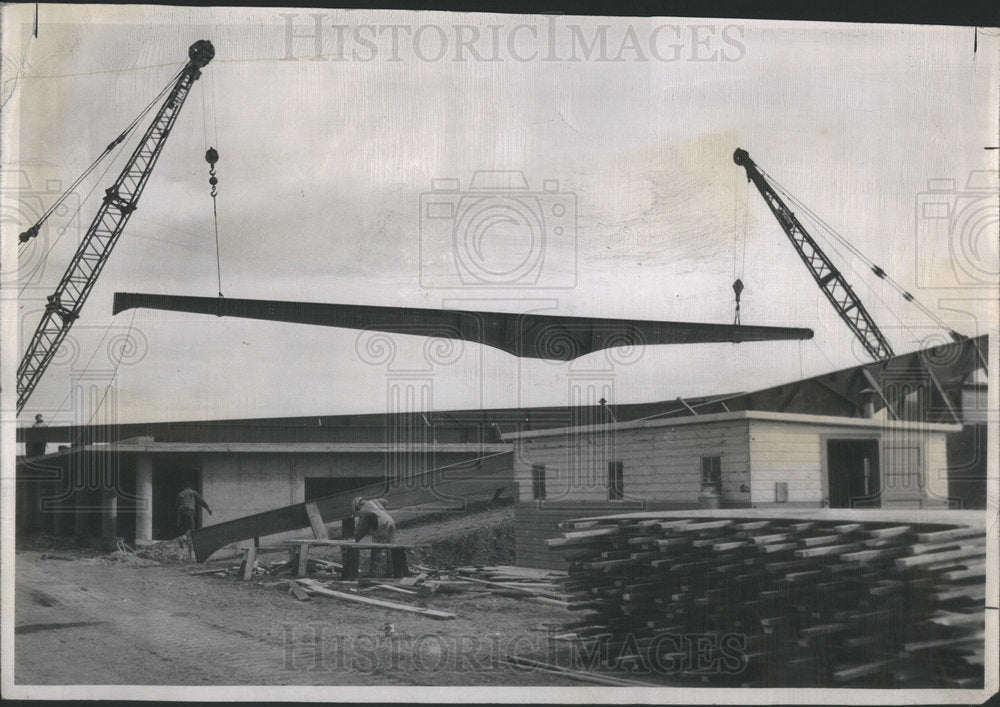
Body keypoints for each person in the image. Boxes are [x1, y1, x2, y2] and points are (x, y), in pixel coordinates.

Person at [353, 496, 395, 576]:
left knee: (376, 548)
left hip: (382, 523)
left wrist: (356, 539)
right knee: (390, 548)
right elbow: (386, 502)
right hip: (390, 520)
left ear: (358, 505)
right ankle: (391, 572)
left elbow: (361, 528)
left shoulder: (363, 511)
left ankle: (373, 573)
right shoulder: (374, 501)